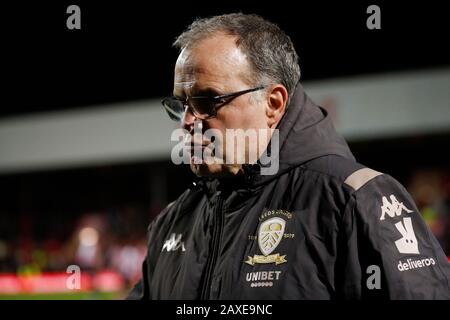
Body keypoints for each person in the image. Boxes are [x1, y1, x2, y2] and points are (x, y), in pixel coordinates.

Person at [128, 13, 450, 299]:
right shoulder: (173, 222)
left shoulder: (354, 199)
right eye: (181, 104)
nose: (187, 120)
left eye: (207, 100)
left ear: (273, 103)